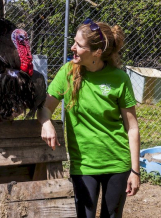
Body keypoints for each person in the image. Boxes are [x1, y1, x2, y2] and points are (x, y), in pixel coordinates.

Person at [37, 18, 140, 218]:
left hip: (117, 164)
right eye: (74, 41)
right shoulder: (67, 73)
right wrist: (46, 122)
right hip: (84, 165)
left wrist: (135, 171)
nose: (72, 47)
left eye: (79, 45)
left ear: (97, 53)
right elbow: (44, 108)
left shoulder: (119, 79)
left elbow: (132, 127)